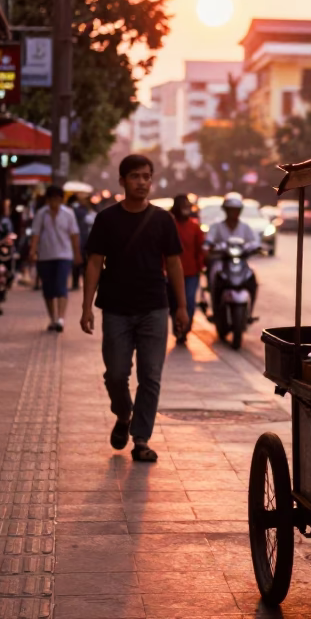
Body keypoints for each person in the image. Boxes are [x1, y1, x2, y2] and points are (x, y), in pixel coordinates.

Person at [81, 155, 187, 462]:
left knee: (150, 376)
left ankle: (141, 439)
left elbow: (174, 263)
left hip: (154, 307)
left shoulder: (163, 220)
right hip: (115, 308)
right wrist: (86, 307)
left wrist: (182, 307)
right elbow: (93, 263)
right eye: (135, 177)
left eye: (146, 176)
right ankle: (124, 414)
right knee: (116, 374)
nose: (141, 182)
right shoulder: (106, 219)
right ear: (122, 181)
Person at [29, 185, 82, 331]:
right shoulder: (41, 214)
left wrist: (77, 253)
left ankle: (61, 318)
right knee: (48, 290)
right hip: (45, 256)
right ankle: (52, 319)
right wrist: (32, 251)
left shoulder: (68, 213)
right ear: (48, 200)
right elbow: (36, 233)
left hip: (64, 255)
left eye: (58, 199)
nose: (55, 202)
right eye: (52, 199)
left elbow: (74, 234)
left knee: (61, 286)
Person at [206, 192, 261, 316]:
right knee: (214, 273)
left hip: (240, 262)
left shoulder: (245, 227)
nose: (233, 213)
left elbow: (254, 241)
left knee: (252, 277)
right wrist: (211, 247)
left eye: (236, 210)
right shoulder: (216, 227)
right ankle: (215, 308)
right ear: (225, 210)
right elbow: (208, 241)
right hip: (222, 261)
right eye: (231, 210)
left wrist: (255, 247)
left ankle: (250, 312)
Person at [170, 194, 205, 342]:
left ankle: (185, 328)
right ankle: (177, 327)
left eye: (187, 206)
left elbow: (201, 249)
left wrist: (201, 266)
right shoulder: (170, 225)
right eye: (182, 206)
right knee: (173, 302)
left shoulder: (195, 227)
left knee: (189, 302)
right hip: (171, 273)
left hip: (191, 273)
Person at [69, 195, 92, 291]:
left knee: (84, 264)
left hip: (84, 240)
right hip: (79, 240)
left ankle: (83, 283)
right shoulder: (79, 210)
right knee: (78, 264)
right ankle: (77, 283)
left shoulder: (83, 210)